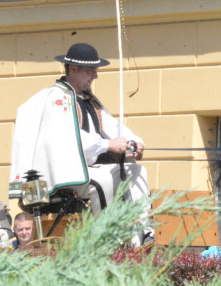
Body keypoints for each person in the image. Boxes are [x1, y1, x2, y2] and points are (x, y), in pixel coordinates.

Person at [9, 43, 151, 232]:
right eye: (91, 70)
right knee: (103, 181)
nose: (96, 75)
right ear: (73, 69)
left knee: (137, 171)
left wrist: (134, 142)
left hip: (90, 167)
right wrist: (108, 145)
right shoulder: (56, 99)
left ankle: (142, 233)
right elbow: (67, 138)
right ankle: (108, 239)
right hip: (64, 172)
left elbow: (112, 126)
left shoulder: (87, 99)